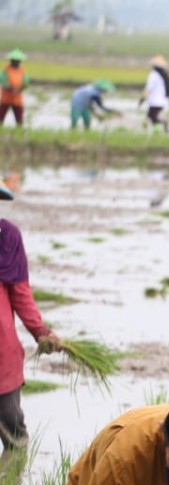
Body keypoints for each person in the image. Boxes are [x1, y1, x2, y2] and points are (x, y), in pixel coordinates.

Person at [0, 179, 62, 449]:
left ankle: (12, 484)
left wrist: (41, 331)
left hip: (1, 350)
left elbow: (21, 293)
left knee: (11, 423)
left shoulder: (8, 237)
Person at [139, 54, 169, 132]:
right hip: (163, 100)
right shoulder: (164, 76)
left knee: (152, 116)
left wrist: (142, 99)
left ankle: (161, 127)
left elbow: (148, 88)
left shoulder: (153, 75)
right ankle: (158, 130)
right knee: (152, 116)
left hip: (155, 101)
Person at [1, 49, 28, 128]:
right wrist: (10, 88)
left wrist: (19, 89)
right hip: (6, 97)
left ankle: (19, 131)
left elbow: (25, 82)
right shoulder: (6, 70)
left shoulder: (22, 71)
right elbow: (3, 80)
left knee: (19, 118)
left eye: (18, 61)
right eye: (14, 61)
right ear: (11, 61)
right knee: (1, 116)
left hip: (17, 98)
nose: (16, 62)